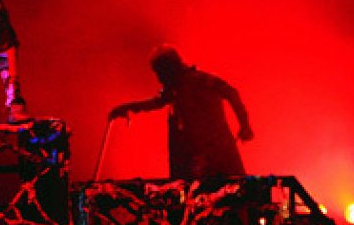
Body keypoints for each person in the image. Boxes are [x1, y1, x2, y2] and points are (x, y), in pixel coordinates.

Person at [107, 45, 254, 178]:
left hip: (215, 153)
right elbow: (156, 102)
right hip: (200, 156)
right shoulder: (177, 88)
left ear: (169, 68)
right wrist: (126, 107)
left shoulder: (200, 81)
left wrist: (244, 125)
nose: (159, 79)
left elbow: (231, 92)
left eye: (160, 73)